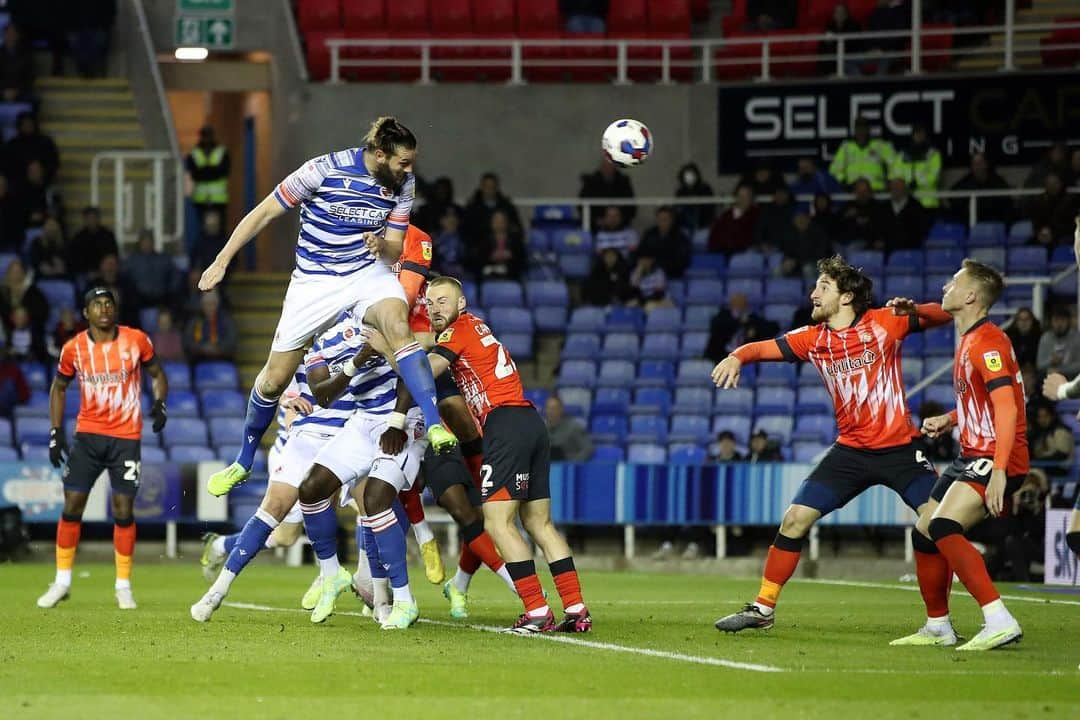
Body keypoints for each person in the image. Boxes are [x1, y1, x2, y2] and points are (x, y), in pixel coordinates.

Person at [198, 116, 456, 497]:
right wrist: (222, 260)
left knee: (397, 323)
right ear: (380, 155)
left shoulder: (403, 184)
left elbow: (396, 247)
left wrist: (379, 247)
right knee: (273, 381)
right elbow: (265, 211)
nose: (410, 169)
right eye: (403, 161)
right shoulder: (323, 170)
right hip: (314, 282)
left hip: (365, 272)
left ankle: (433, 424)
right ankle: (243, 459)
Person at [711, 255, 948, 638]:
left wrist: (917, 310)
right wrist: (736, 356)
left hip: (901, 449)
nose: (812, 294)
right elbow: (760, 348)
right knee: (794, 519)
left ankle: (940, 622)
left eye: (823, 287)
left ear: (848, 296)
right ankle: (763, 607)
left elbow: (949, 312)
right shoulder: (813, 339)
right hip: (850, 452)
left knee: (938, 525)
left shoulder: (885, 323)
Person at [425, 276, 591, 633]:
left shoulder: (458, 331)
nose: (434, 308)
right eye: (430, 302)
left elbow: (428, 369)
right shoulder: (477, 328)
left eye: (442, 301)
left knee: (497, 523)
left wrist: (391, 357)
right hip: (530, 421)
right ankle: (576, 608)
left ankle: (536, 611)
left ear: (461, 304)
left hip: (503, 425)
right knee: (539, 523)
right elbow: (430, 342)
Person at [900, 259, 1027, 650]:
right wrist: (952, 419)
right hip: (970, 453)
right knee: (924, 532)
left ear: (971, 295)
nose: (945, 286)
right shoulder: (970, 338)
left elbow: (1007, 407)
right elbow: (987, 401)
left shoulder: (987, 343)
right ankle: (938, 626)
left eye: (954, 282)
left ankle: (998, 618)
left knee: (943, 527)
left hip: (995, 456)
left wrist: (1001, 471)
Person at [36, 287, 168, 611]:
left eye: (109, 302)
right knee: (72, 504)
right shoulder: (73, 349)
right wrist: (56, 433)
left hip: (126, 437)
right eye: (97, 304)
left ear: (115, 309)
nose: (104, 308)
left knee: (123, 509)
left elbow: (157, 373)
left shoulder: (137, 340)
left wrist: (160, 402)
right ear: (86, 313)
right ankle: (62, 582)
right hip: (89, 435)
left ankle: (123, 586)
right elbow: (59, 388)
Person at [704, 292, 778, 364]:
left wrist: (754, 329)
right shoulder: (722, 317)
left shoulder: (753, 319)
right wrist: (740, 321)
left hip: (747, 358)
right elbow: (719, 328)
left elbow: (773, 328)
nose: (739, 305)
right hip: (721, 356)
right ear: (731, 304)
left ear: (746, 305)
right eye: (736, 303)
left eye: (742, 303)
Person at [829, 116, 895, 191]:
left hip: (876, 192)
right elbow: (834, 170)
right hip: (854, 193)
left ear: (868, 129)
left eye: (864, 128)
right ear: (855, 130)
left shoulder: (880, 145)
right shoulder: (846, 147)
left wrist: (890, 181)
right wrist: (845, 183)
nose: (861, 131)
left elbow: (894, 165)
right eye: (859, 128)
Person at [890, 124, 943, 211]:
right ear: (912, 135)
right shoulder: (902, 155)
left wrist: (917, 182)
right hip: (905, 204)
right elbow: (893, 176)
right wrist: (906, 185)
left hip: (928, 203)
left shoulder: (933, 154)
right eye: (916, 133)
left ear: (926, 136)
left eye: (922, 133)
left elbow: (933, 177)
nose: (919, 136)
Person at [950, 152, 1012, 225]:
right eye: (974, 163)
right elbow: (952, 196)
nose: (977, 166)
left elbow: (1006, 201)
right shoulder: (966, 181)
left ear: (986, 164)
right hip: (971, 222)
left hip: (994, 221)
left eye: (980, 163)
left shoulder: (997, 181)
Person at [185, 125, 230, 224]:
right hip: (201, 199)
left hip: (219, 199)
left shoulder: (221, 152)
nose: (207, 139)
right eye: (205, 136)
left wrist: (204, 171)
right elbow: (194, 173)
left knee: (218, 229)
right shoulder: (194, 153)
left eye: (208, 136)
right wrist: (212, 171)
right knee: (202, 228)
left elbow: (224, 171)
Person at [125, 229, 178, 310]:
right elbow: (125, 279)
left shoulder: (163, 259)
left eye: (149, 241)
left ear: (153, 242)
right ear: (139, 243)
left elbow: (176, 276)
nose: (147, 244)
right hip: (138, 301)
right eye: (144, 241)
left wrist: (170, 291)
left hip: (161, 299)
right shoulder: (131, 261)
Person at [462, 172, 521, 244]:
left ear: (497, 188)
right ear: (481, 187)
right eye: (487, 186)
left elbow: (517, 230)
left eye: (492, 187)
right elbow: (465, 231)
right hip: (478, 248)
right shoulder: (472, 208)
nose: (489, 190)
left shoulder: (507, 207)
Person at [579, 157, 634, 232]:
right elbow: (581, 204)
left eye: (611, 166)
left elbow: (631, 204)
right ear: (601, 167)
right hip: (595, 225)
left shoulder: (623, 182)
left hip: (621, 225)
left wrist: (620, 219)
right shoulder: (591, 182)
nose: (608, 168)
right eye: (606, 166)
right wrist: (597, 220)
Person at [876, 177, 931, 251]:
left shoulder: (916, 206)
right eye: (893, 188)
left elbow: (922, 228)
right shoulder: (884, 207)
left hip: (911, 247)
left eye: (898, 188)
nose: (896, 190)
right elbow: (879, 227)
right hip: (887, 249)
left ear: (905, 189)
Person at [471, 208, 527, 281]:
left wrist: (510, 255)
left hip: (511, 276)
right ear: (491, 222)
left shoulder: (515, 240)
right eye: (496, 221)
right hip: (487, 276)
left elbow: (522, 260)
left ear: (507, 222)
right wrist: (490, 257)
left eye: (501, 221)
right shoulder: (484, 241)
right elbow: (478, 260)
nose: (499, 223)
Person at [182, 289, 237, 363]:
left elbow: (231, 340)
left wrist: (217, 348)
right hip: (200, 359)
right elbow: (188, 341)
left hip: (222, 358)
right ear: (202, 305)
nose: (209, 307)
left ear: (217, 304)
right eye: (206, 304)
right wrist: (203, 348)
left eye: (212, 303)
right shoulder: (195, 321)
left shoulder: (226, 320)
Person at [0, 257, 48, 340]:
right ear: (8, 273)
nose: (15, 274)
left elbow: (43, 310)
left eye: (18, 271)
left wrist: (26, 315)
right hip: (6, 328)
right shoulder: (2, 290)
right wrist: (12, 316)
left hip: (29, 329)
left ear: (23, 273)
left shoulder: (33, 291)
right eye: (13, 271)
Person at [3, 113, 59, 184]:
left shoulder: (45, 142)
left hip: (43, 183)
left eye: (29, 124)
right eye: (24, 124)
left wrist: (40, 171)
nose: (27, 127)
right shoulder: (12, 145)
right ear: (19, 126)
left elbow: (53, 163)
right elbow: (7, 166)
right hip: (18, 185)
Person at [637, 205, 691, 278]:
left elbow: (681, 262)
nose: (662, 222)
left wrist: (655, 262)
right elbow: (641, 252)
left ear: (672, 220)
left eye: (665, 219)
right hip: (649, 273)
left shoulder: (680, 237)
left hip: (672, 275)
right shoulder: (649, 234)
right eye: (659, 219)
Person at [778, 212, 832, 281]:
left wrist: (797, 261)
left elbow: (820, 254)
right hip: (797, 264)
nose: (800, 222)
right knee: (778, 270)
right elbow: (788, 251)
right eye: (797, 220)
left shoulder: (818, 233)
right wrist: (788, 261)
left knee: (807, 268)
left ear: (808, 220)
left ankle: (811, 290)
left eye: (802, 219)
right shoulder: (790, 234)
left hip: (816, 263)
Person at [708, 183, 759, 256]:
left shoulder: (756, 214)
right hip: (723, 251)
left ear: (751, 198)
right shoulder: (727, 215)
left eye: (746, 196)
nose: (742, 199)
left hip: (745, 253)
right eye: (740, 196)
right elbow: (715, 235)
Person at [1027, 399, 1074, 476]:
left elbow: (1062, 455)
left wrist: (1039, 461)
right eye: (1040, 417)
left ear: (1052, 416)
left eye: (1045, 416)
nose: (1043, 420)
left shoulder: (1060, 431)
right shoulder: (1039, 434)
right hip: (1041, 468)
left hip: (1059, 469)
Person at [68, 207, 118, 278]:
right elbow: (74, 259)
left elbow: (113, 256)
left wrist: (102, 271)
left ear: (98, 219)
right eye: (89, 218)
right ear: (84, 220)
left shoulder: (108, 235)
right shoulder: (78, 237)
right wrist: (87, 272)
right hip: (85, 274)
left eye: (94, 218)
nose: (91, 221)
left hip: (106, 272)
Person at [1027, 172, 1077, 242]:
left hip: (1064, 235)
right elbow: (1037, 221)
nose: (1052, 186)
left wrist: (1053, 232)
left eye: (1054, 183)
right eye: (1049, 184)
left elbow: (1072, 224)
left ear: (1060, 183)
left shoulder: (1070, 201)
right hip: (1043, 234)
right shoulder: (1040, 201)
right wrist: (1040, 232)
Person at [865, 0, 910, 75]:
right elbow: (868, 35)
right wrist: (872, 48)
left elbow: (899, 37)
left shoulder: (901, 12)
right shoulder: (875, 13)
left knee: (882, 67)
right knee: (850, 62)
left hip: (892, 52)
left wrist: (882, 49)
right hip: (874, 51)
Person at [545, 395, 593, 461]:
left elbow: (588, 448)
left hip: (569, 467)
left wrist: (573, 462)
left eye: (554, 408)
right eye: (548, 408)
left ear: (561, 409)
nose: (550, 411)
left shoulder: (574, 427)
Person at [819, 3, 862, 76]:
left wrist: (835, 40)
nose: (839, 14)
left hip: (849, 57)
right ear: (833, 14)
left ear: (846, 14)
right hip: (833, 59)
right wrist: (828, 42)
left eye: (842, 12)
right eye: (837, 12)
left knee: (852, 69)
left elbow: (854, 44)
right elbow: (823, 45)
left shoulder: (854, 25)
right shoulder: (830, 26)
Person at [1036, 305, 1080, 377]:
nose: (1059, 324)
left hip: (1072, 379)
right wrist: (1051, 361)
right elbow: (1039, 365)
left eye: (1062, 320)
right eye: (1056, 320)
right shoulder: (1046, 338)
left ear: (1068, 321)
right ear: (1051, 322)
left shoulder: (1077, 338)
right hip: (1050, 379)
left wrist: (1060, 370)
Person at [842, 177, 885, 248]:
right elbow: (839, 225)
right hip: (847, 240)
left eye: (865, 191)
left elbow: (880, 228)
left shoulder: (877, 208)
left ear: (870, 191)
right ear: (855, 192)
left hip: (868, 242)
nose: (862, 194)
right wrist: (847, 216)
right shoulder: (849, 206)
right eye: (859, 191)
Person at [673, 162, 715, 231]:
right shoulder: (680, 192)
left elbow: (710, 210)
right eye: (687, 175)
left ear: (696, 175)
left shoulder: (705, 189)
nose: (689, 178)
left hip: (703, 227)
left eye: (691, 174)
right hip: (684, 228)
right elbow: (677, 211)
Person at [753, 186, 796, 252]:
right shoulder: (766, 210)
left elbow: (794, 233)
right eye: (778, 193)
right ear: (774, 196)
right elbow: (759, 230)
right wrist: (762, 244)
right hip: (766, 246)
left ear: (788, 196)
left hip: (787, 247)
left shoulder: (793, 211)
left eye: (783, 194)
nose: (780, 196)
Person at [431, 206, 468, 280]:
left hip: (461, 276)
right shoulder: (433, 238)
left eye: (454, 218)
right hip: (438, 275)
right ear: (441, 220)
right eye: (447, 218)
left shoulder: (465, 238)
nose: (451, 220)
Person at [0, 24, 34, 102]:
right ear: (4, 35)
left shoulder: (26, 54)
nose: (10, 36)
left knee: (32, 100)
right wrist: (3, 91)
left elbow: (29, 76)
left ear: (17, 36)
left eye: (13, 33)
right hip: (2, 91)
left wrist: (16, 91)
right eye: (8, 33)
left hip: (20, 91)